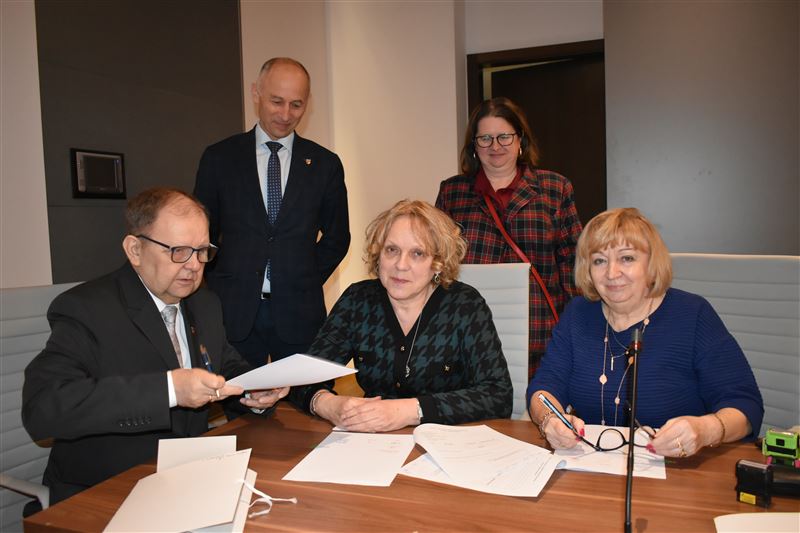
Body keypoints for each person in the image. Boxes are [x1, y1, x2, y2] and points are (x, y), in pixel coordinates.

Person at [22, 188, 288, 505]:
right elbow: (43, 410)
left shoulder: (204, 303)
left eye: (202, 251)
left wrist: (253, 390)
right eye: (179, 251)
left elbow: (224, 366)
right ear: (135, 250)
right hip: (108, 490)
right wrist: (169, 390)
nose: (194, 265)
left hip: (190, 480)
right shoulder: (86, 309)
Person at [527, 208, 764, 458]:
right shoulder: (578, 313)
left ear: (651, 264)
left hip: (679, 468)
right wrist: (549, 420)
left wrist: (705, 430)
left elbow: (745, 406)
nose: (611, 273)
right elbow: (544, 388)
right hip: (590, 466)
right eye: (599, 261)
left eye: (627, 258)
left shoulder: (693, 314)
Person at [291, 200, 513, 432]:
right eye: (392, 250)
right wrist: (330, 405)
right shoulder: (358, 300)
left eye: (417, 253)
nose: (400, 265)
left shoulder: (465, 305)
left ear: (437, 263)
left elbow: (498, 395)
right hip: (371, 441)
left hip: (448, 441)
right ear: (378, 254)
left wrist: (409, 411)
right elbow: (301, 378)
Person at [194, 57, 350, 368]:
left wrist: (302, 278)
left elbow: (337, 238)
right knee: (237, 394)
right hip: (233, 311)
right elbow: (201, 235)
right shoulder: (220, 158)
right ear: (256, 93)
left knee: (308, 394)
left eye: (296, 104)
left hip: (300, 313)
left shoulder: (325, 164)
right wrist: (223, 282)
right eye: (276, 101)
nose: (285, 114)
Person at [436, 97, 582, 379]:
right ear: (474, 146)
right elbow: (438, 262)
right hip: (468, 332)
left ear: (520, 140)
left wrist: (573, 327)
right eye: (485, 138)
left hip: (540, 333)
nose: (495, 146)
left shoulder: (555, 188)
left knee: (536, 403)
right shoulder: (452, 192)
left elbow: (573, 264)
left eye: (504, 136)